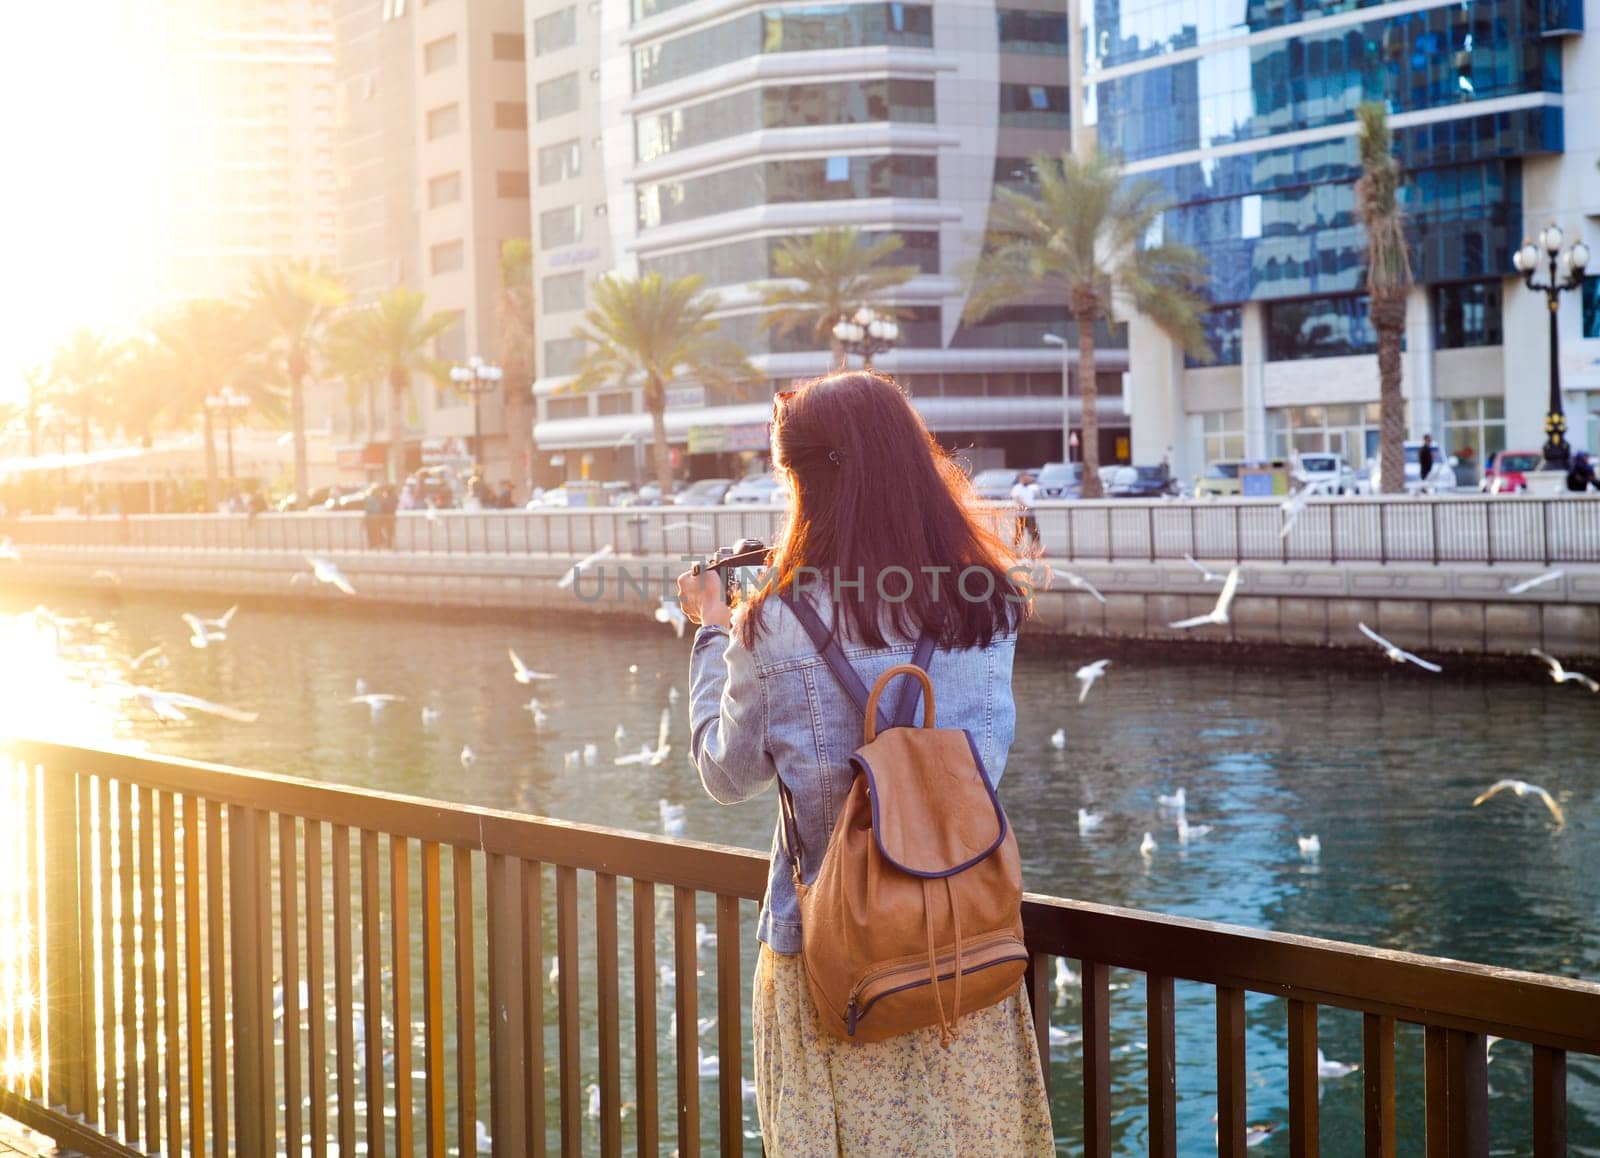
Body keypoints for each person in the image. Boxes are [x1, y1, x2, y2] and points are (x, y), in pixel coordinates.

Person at [677, 370, 1052, 1156]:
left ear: (807, 481)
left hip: (834, 965)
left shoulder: (773, 621)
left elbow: (725, 773)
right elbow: (985, 763)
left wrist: (712, 630)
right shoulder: (988, 600)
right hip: (962, 947)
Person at [1010, 470, 1041, 553]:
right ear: (1021, 478)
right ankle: (1014, 550)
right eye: (1026, 477)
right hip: (1021, 514)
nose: (1028, 479)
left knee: (1035, 532)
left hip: (1030, 513)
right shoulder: (1017, 488)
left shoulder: (1031, 488)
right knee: (1019, 533)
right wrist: (1026, 506)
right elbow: (1017, 498)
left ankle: (1035, 550)